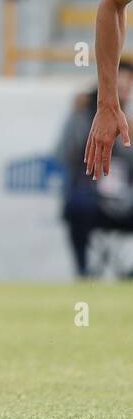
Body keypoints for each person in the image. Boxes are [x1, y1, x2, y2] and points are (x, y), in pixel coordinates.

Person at [59, 61, 133, 275]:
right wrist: (81, 120)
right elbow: (64, 153)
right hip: (90, 196)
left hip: (123, 197)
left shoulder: (129, 118)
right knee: (77, 204)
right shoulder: (83, 114)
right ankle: (83, 270)